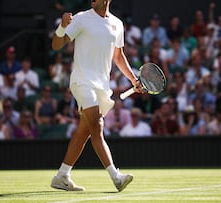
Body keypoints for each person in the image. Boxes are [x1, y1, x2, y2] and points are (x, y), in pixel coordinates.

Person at [50, 0, 144, 192]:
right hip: (81, 82)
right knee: (97, 123)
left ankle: (62, 175)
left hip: (102, 86)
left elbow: (118, 56)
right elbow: (56, 45)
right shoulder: (81, 19)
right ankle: (116, 177)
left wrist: (134, 80)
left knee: (84, 131)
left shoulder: (117, 23)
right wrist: (62, 27)